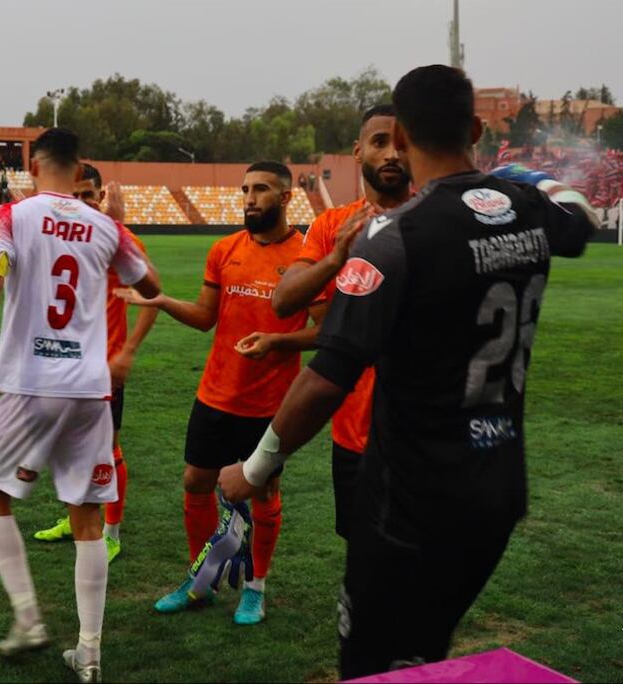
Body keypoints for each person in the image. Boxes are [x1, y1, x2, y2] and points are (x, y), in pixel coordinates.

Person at [217, 65, 596, 678]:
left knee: (376, 664)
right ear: (474, 127)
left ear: (405, 133)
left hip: (413, 499)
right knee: (426, 647)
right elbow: (577, 215)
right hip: (498, 486)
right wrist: (520, 175)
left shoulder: (395, 239)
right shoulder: (525, 208)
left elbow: (325, 378)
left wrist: (255, 468)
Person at [0, 127, 160, 683]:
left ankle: (29, 619)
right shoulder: (107, 227)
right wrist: (115, 227)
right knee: (88, 515)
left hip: (30, 380)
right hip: (89, 384)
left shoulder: (10, 216)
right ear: (81, 170)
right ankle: (90, 651)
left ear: (34, 165)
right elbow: (149, 286)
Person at [121, 161, 320, 625]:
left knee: (264, 492)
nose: (249, 198)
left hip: (270, 405)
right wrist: (163, 302)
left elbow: (324, 330)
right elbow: (207, 315)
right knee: (196, 482)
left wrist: (277, 342)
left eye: (262, 190)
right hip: (215, 394)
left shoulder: (305, 260)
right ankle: (200, 581)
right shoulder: (224, 249)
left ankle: (256, 589)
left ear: (286, 197)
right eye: (246, 189)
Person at [270, 104, 412, 540]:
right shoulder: (333, 224)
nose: (391, 154)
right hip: (351, 431)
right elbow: (283, 300)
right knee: (359, 547)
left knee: (416, 558)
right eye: (379, 142)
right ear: (357, 151)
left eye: (402, 144)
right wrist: (336, 258)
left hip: (416, 433)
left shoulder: (433, 219)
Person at [34, 164, 158, 563]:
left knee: (108, 449)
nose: (83, 204)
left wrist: (129, 350)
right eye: (75, 196)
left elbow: (151, 299)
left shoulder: (121, 242)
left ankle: (112, 532)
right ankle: (76, 516)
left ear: (101, 197)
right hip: (64, 364)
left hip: (103, 367)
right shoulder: (61, 242)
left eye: (89, 195)